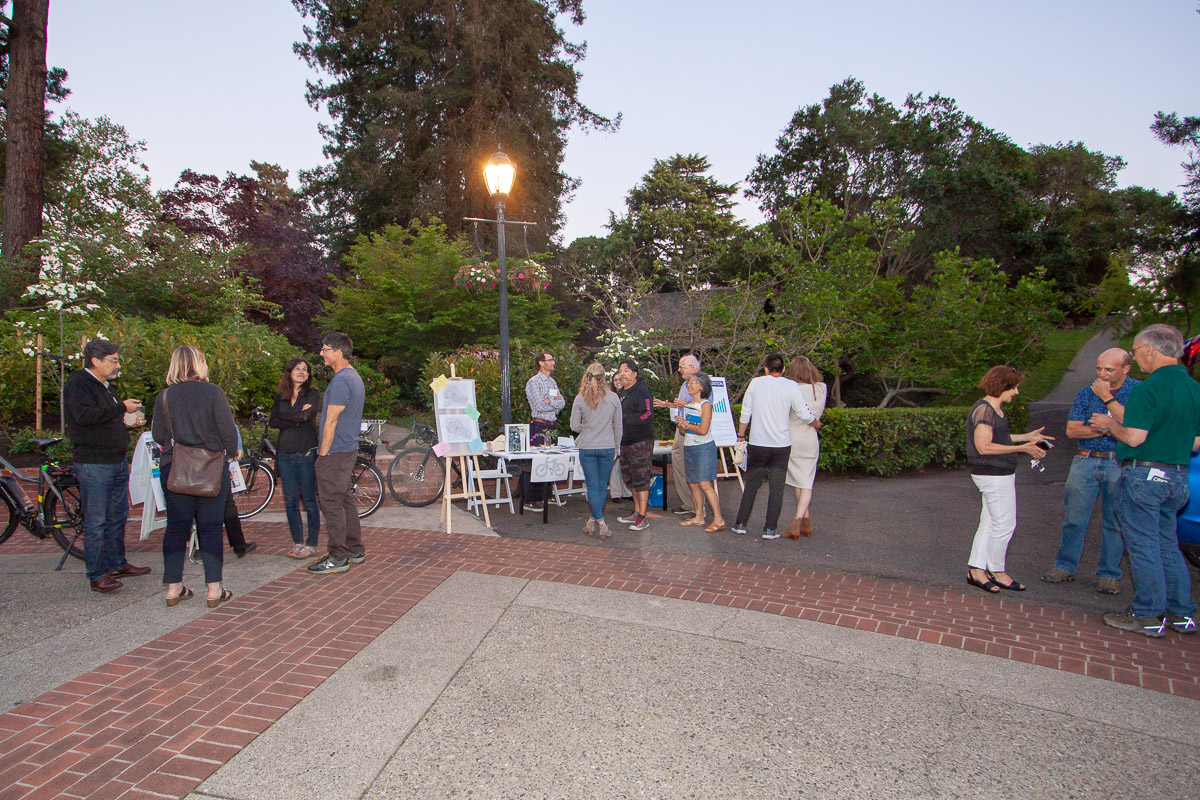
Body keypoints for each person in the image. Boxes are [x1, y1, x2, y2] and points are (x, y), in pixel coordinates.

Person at [1089, 324, 1200, 638]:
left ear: (1151, 350)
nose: (1136, 359)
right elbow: (1195, 442)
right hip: (1177, 477)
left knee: (1143, 546)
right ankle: (1181, 613)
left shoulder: (1148, 389)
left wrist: (1110, 425)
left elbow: (1135, 437)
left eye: (1136, 352)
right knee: (1167, 545)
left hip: (1144, 476)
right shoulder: (1194, 389)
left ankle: (1148, 614)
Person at [1041, 348, 1138, 594]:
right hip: (1085, 460)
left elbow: (1136, 428)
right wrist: (1107, 429)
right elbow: (1072, 430)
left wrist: (1108, 416)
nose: (1102, 374)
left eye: (1109, 369)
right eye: (1098, 368)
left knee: (1115, 522)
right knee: (1074, 518)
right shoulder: (1085, 393)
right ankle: (1065, 566)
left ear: (1126, 368)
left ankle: (1109, 574)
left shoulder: (1138, 392)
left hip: (1120, 463)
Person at [151, 346, 240, 608]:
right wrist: (230, 453)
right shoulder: (213, 392)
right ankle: (214, 589)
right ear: (198, 363)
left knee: (176, 528)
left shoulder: (165, 396)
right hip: (210, 467)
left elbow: (158, 435)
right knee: (210, 528)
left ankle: (173, 588)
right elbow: (228, 433)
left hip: (176, 468)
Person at [63, 339, 149, 593]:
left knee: (117, 516)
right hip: (94, 463)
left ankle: (116, 563)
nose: (117, 365)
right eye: (113, 360)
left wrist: (127, 421)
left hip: (116, 460)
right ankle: (97, 574)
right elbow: (83, 416)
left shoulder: (105, 387)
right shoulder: (79, 383)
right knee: (97, 520)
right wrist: (120, 407)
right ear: (95, 360)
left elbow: (105, 417)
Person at [964, 366, 1053, 594]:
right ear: (1001, 386)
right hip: (993, 475)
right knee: (1004, 525)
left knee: (989, 522)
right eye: (1013, 387)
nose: (1016, 392)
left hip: (995, 474)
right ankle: (997, 571)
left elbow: (998, 437)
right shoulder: (985, 410)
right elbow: (983, 446)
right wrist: (1023, 448)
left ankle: (977, 570)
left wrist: (1027, 437)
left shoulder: (991, 409)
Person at [732, 353, 818, 540]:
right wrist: (816, 423)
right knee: (777, 488)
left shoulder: (756, 383)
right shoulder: (791, 386)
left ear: (766, 369)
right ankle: (770, 529)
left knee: (752, 484)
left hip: (758, 443)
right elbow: (803, 412)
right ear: (784, 369)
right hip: (781, 445)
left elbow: (746, 411)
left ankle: (740, 524)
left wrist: (741, 435)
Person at [308, 333, 366, 576]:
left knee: (331, 502)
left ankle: (338, 556)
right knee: (344, 500)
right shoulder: (353, 377)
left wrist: (323, 455)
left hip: (335, 451)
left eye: (325, 349)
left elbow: (331, 420)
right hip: (346, 449)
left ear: (339, 353)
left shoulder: (342, 380)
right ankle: (354, 550)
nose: (321, 353)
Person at [271, 358, 322, 558]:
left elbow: (306, 417)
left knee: (309, 500)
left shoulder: (312, 393)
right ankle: (297, 541)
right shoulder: (280, 397)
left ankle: (311, 543)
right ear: (289, 372)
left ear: (308, 375)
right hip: (285, 453)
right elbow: (273, 420)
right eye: (297, 368)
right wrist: (296, 415)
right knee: (291, 501)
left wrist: (288, 417)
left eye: (305, 369)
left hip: (305, 453)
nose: (302, 372)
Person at [570, 363, 623, 540]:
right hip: (607, 446)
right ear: (604, 377)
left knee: (592, 486)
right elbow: (619, 427)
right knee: (601, 486)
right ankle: (600, 522)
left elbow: (574, 426)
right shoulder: (613, 398)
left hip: (587, 446)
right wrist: (616, 447)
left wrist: (587, 427)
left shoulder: (580, 398)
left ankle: (594, 520)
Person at [675, 372, 726, 533]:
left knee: (705, 484)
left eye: (693, 382)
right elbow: (684, 432)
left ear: (702, 387)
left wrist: (687, 425)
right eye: (689, 382)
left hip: (704, 448)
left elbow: (703, 430)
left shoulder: (706, 405)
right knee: (692, 483)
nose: (689, 385)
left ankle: (719, 519)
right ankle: (698, 516)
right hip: (689, 446)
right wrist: (681, 426)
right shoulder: (689, 405)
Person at [783, 356, 827, 540]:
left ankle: (796, 522)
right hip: (810, 439)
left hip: (792, 438)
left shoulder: (791, 389)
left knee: (799, 481)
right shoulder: (821, 388)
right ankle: (805, 521)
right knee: (806, 481)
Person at [654, 354, 701, 516]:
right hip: (681, 428)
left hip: (693, 429)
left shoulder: (701, 383)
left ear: (692, 368)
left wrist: (685, 404)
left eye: (682, 367)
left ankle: (697, 506)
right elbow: (681, 406)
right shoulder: (685, 384)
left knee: (692, 468)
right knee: (679, 464)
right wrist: (667, 404)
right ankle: (689, 503)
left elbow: (705, 407)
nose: (679, 370)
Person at [523, 350, 566, 511]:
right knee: (536, 460)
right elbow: (539, 405)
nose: (553, 362)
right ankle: (529, 499)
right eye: (550, 359)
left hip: (552, 425)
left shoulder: (552, 382)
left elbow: (562, 403)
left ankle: (546, 496)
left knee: (550, 460)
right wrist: (553, 403)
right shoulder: (533, 382)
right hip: (539, 426)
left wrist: (551, 402)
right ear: (542, 363)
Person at [615, 359, 655, 531]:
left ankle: (643, 516)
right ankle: (636, 511)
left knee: (641, 477)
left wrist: (625, 419)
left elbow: (648, 414)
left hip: (640, 441)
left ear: (634, 373)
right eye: (620, 371)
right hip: (625, 441)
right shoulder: (622, 393)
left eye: (626, 370)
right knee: (630, 477)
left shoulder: (642, 391)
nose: (622, 374)